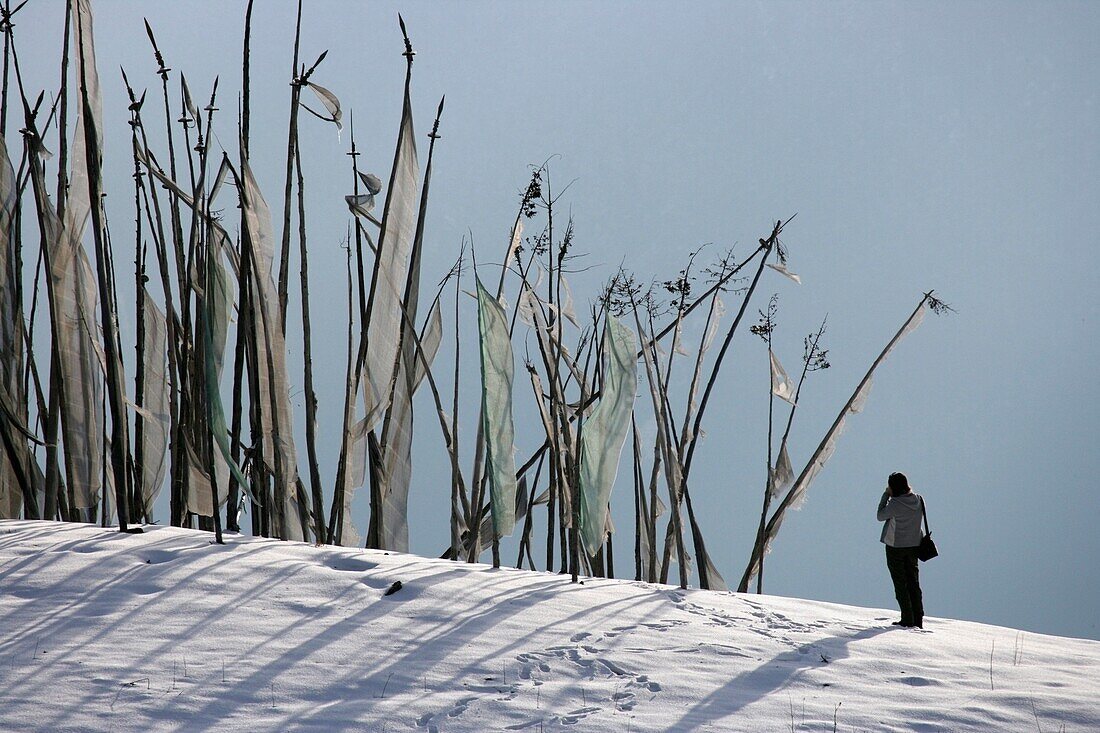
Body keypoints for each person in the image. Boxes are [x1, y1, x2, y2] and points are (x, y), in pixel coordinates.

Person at [878, 472, 925, 628]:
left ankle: (907, 618)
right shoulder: (918, 500)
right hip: (914, 546)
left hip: (896, 547)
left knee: (900, 584)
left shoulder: (895, 504)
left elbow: (880, 515)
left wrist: (885, 495)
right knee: (913, 582)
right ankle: (918, 619)